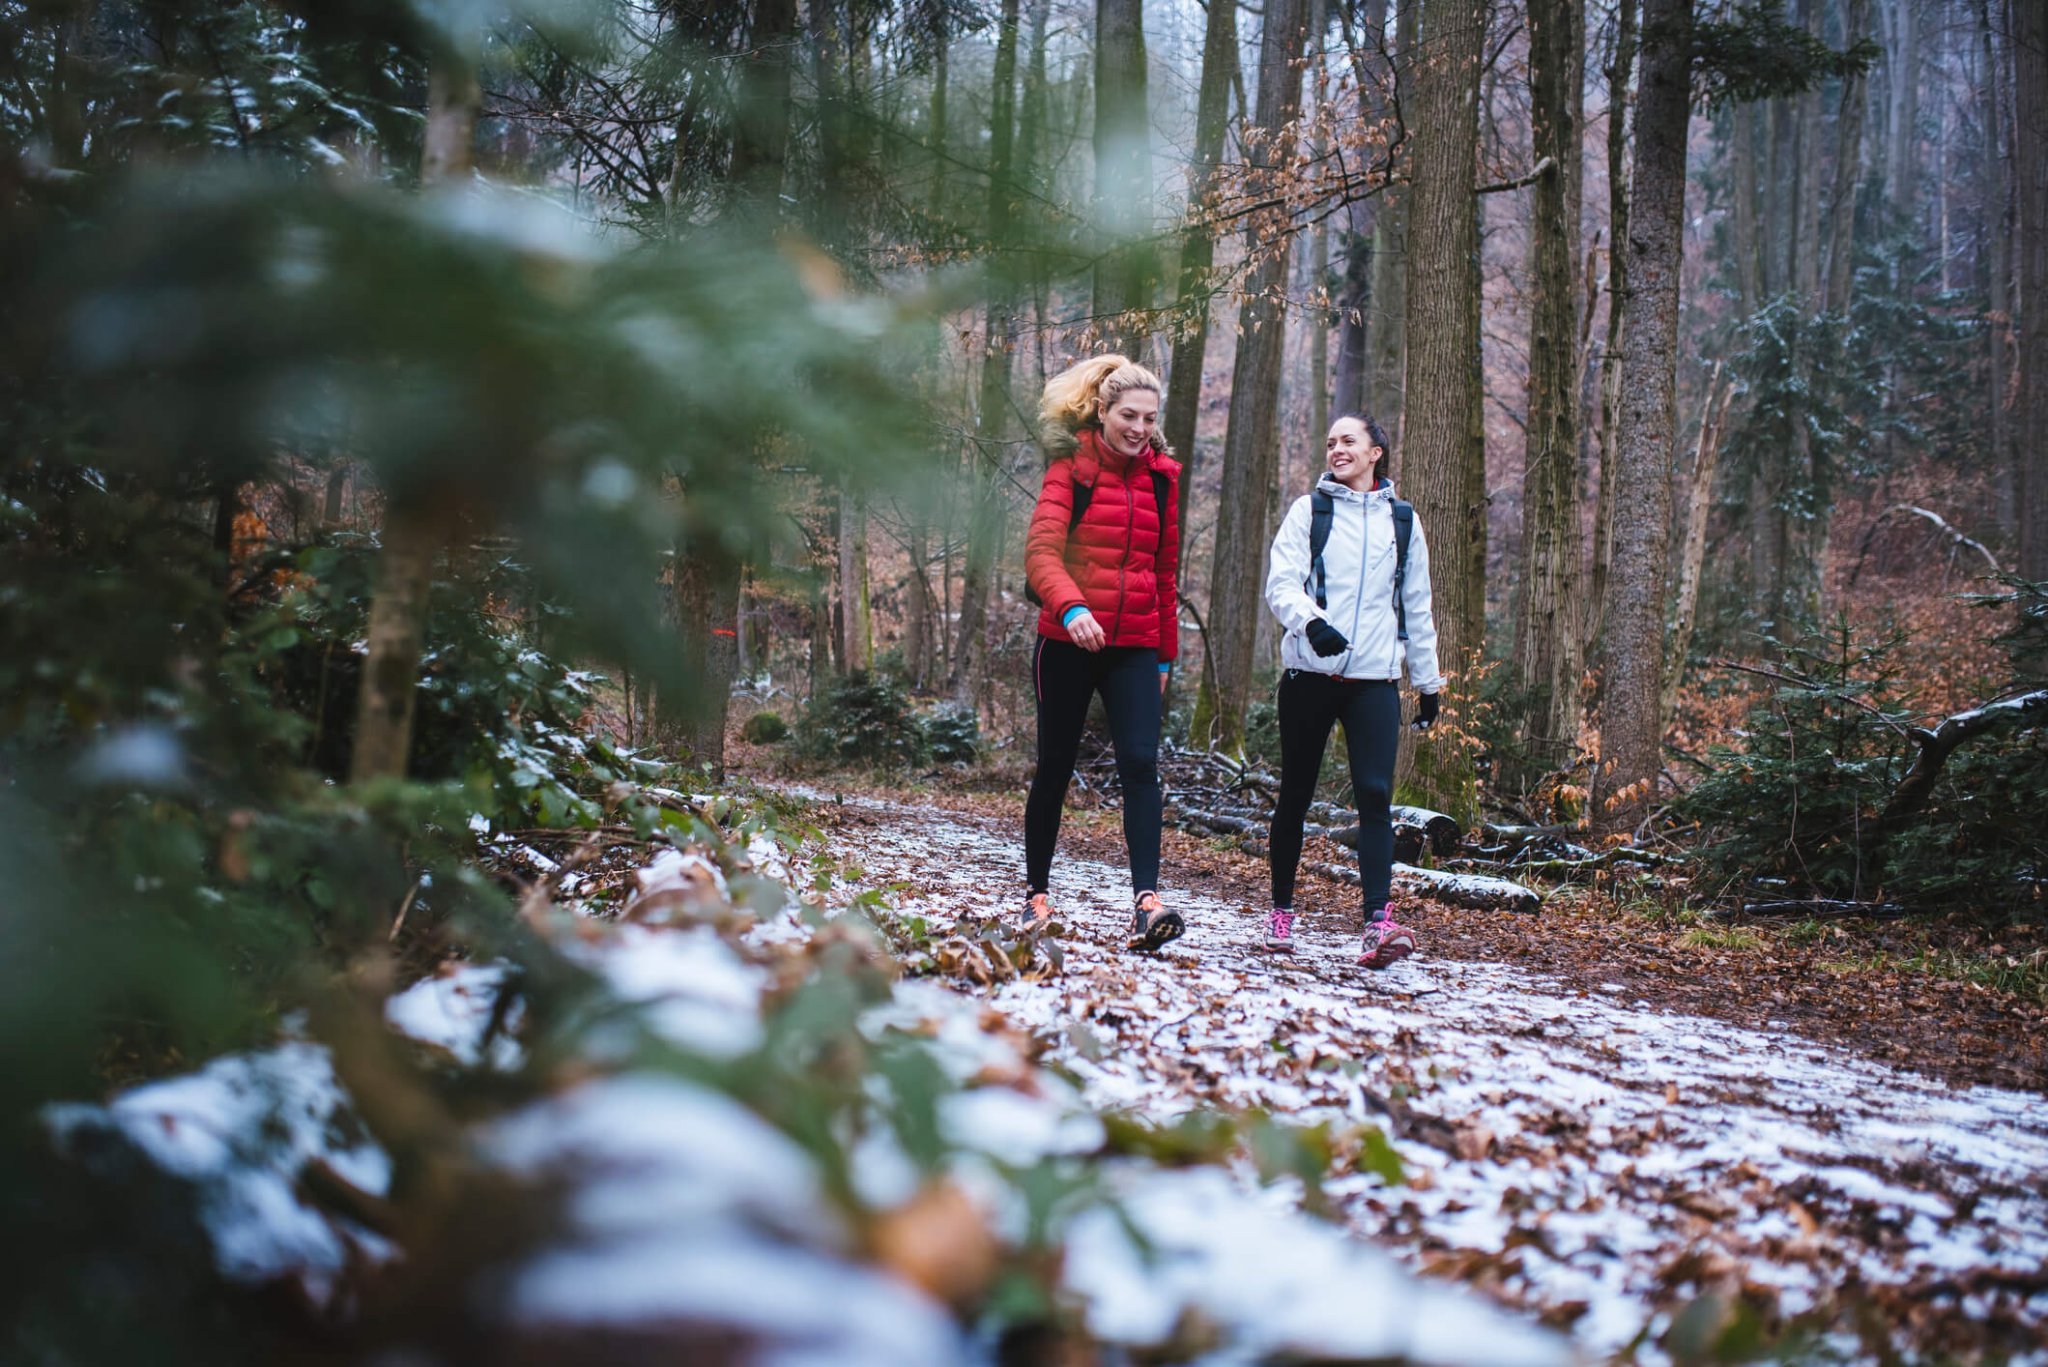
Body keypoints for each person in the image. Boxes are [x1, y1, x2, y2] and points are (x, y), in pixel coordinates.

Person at [1261, 413, 1443, 968]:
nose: (1336, 449)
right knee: (1295, 793)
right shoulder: (1309, 511)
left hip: (1374, 683)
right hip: (1309, 678)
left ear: (1375, 453)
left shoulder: (1403, 523)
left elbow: (1416, 607)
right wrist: (1309, 622)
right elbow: (1281, 583)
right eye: (1331, 441)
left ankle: (1377, 923)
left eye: (1348, 441)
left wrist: (1429, 682)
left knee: (1374, 795)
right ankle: (1281, 912)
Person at [1020, 354, 1184, 951]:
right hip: (1066, 640)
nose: (1139, 428)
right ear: (1104, 413)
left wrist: (1164, 657)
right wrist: (1071, 606)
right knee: (1056, 767)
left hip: (1135, 645)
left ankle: (1147, 903)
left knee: (1141, 766)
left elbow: (1164, 577)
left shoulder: (1163, 479)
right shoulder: (1071, 469)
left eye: (1149, 417)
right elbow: (1041, 553)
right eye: (1127, 416)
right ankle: (1037, 897)